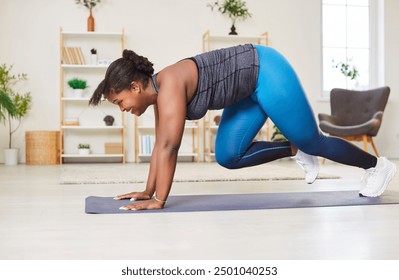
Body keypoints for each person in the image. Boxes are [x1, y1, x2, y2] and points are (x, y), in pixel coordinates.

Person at [89, 44, 397, 211]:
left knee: (313, 140)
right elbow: (160, 146)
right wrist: (147, 190)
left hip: (265, 69)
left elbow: (171, 148)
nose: (123, 109)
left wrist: (159, 200)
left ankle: (377, 166)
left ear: (134, 87)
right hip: (244, 91)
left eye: (119, 101)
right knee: (228, 155)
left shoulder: (168, 88)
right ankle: (293, 147)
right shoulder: (160, 93)